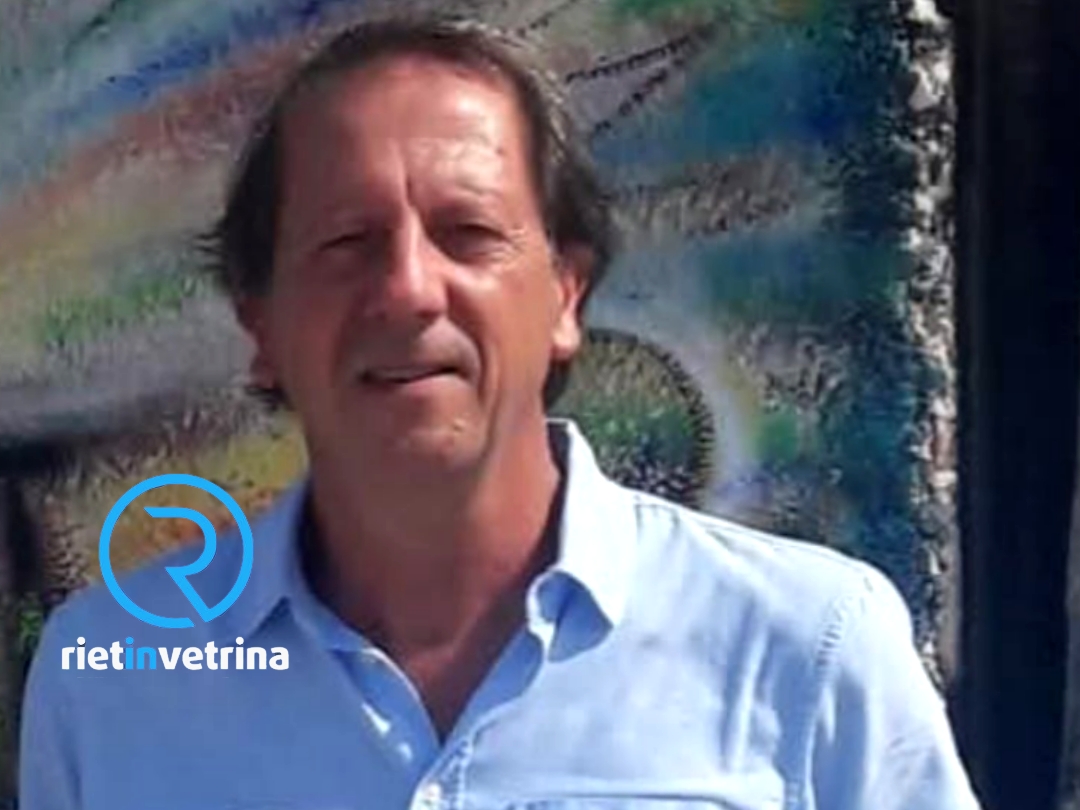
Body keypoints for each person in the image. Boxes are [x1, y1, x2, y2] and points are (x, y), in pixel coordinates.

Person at [19, 15, 982, 810]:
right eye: (347, 242)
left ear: (565, 295)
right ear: (259, 322)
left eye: (468, 232)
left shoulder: (810, 649)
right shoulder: (113, 687)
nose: (408, 289)